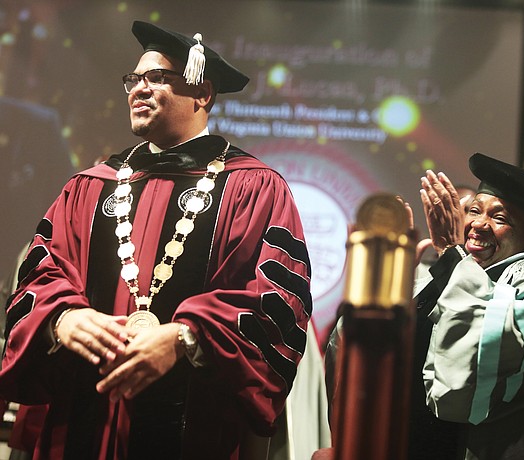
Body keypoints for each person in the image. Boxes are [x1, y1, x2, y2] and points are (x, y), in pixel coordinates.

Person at [0, 20, 312, 460]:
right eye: (134, 79)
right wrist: (61, 319)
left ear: (202, 93)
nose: (138, 89)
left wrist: (186, 338)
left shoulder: (255, 189)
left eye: (157, 78)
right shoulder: (90, 188)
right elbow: (39, 274)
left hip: (196, 428)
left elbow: (277, 302)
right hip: (84, 422)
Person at [410, 152, 524, 459]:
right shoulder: (450, 272)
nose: (478, 224)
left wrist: (452, 255)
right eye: (474, 211)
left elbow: (477, 360)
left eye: (500, 218)